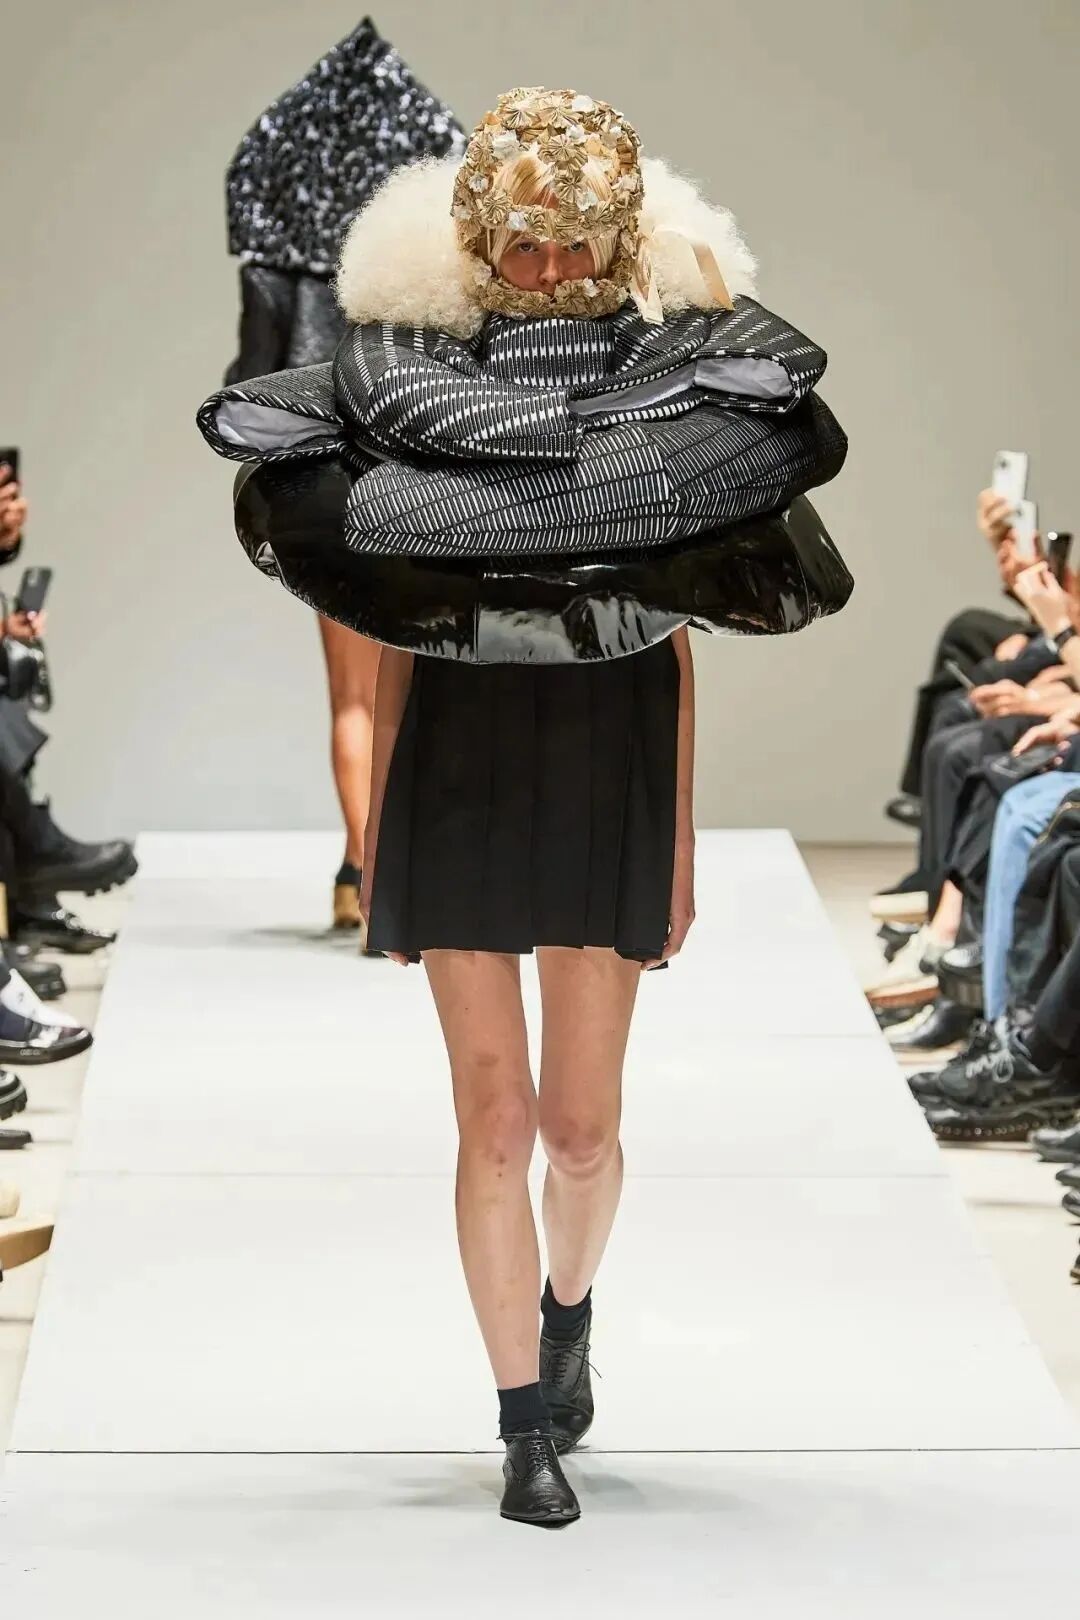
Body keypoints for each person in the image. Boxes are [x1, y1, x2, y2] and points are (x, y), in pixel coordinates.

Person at [199, 86, 848, 1525]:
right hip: (460, 758)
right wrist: (378, 836)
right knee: (494, 1121)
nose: (549, 269)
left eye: (574, 243)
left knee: (581, 1130)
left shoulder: (670, 394)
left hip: (612, 745)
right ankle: (521, 1425)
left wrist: (679, 845)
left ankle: (568, 1316)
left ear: (616, 241)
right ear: (483, 244)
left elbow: (677, 638)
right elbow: (383, 616)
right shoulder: (411, 386)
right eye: (524, 243)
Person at [222, 18, 464, 935]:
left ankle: (362, 875)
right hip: (419, 476)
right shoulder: (429, 248)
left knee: (352, 694)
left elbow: (253, 374)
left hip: (319, 478)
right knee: (414, 683)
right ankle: (398, 875)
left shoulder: (273, 240)